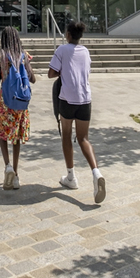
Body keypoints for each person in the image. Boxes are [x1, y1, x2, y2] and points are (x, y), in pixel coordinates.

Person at [48, 21, 106, 204]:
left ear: (67, 34)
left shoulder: (62, 50)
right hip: (85, 99)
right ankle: (96, 173)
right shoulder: (86, 51)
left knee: (66, 135)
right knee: (83, 138)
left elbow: (51, 73)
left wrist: (63, 72)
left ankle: (71, 176)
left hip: (67, 98)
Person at [0, 27, 35, 190]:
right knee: (16, 137)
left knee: (3, 134)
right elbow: (32, 78)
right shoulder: (24, 55)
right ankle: (16, 175)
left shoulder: (0, 56)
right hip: (21, 102)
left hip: (6, 100)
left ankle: (7, 166)